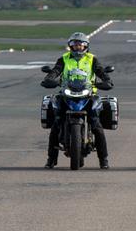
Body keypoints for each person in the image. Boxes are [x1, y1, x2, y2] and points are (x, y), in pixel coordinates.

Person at [41, 32, 113, 169]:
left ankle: (103, 160)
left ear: (86, 46)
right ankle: (51, 159)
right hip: (66, 93)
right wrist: (49, 79)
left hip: (88, 94)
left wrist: (107, 81)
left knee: (97, 126)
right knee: (56, 125)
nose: (78, 47)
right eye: (75, 45)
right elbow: (55, 71)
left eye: (80, 45)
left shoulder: (92, 59)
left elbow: (101, 72)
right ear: (70, 46)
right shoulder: (63, 59)